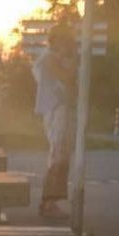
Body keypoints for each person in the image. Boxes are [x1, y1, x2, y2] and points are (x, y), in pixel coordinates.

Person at [32, 25, 76, 217]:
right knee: (58, 154)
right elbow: (67, 77)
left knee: (61, 153)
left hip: (56, 108)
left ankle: (52, 201)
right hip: (56, 108)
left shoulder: (50, 58)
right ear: (58, 41)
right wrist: (74, 60)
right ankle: (48, 202)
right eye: (67, 41)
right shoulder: (49, 58)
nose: (70, 45)